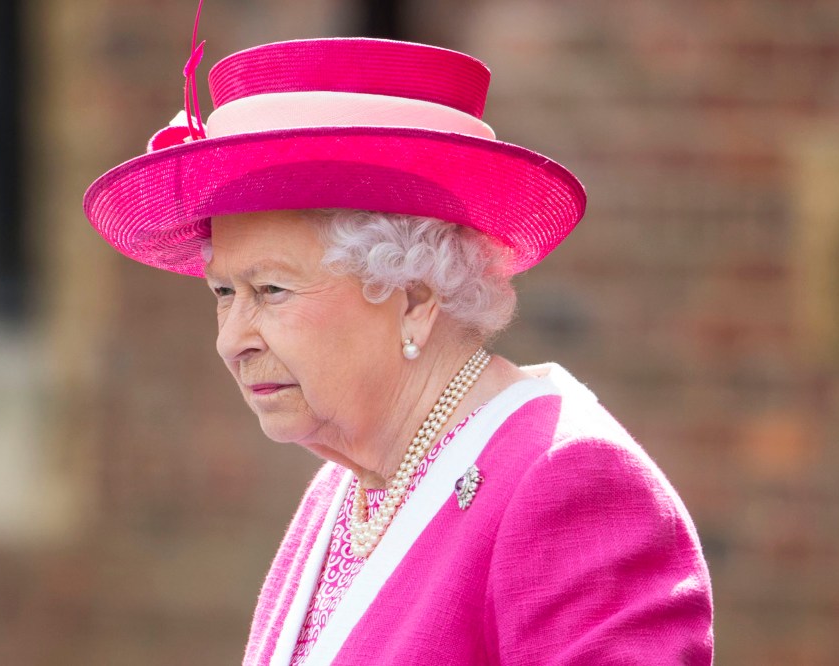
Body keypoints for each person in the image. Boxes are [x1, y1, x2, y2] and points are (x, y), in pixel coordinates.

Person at [84, 29, 714, 666]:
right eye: (224, 291)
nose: (231, 341)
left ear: (413, 297)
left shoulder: (566, 480)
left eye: (271, 290)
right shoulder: (342, 492)